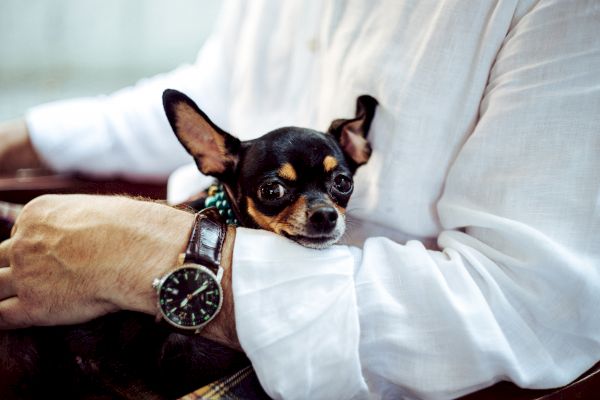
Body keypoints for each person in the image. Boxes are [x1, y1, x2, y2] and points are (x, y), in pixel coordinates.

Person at [1, 1, 600, 398]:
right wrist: (24, 137)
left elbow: (535, 306)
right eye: (277, 191)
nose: (322, 208)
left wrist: (160, 254)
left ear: (352, 153)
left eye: (337, 187)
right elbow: (223, 84)